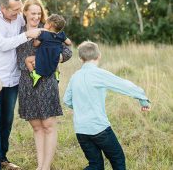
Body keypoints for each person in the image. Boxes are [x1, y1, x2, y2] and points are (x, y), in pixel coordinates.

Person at [0, 0, 42, 170]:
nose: (18, 13)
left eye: (20, 8)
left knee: (7, 121)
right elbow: (3, 44)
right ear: (3, 8)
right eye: (15, 10)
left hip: (12, 78)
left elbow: (33, 21)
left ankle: (2, 159)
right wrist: (27, 35)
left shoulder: (18, 17)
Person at [63, 41, 151, 170]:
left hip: (81, 129)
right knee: (117, 158)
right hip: (99, 128)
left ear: (80, 59)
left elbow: (67, 100)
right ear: (99, 56)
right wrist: (143, 98)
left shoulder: (75, 76)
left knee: (95, 164)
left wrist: (82, 107)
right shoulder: (99, 74)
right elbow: (123, 84)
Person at [16, 0, 72, 170]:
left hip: (47, 81)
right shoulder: (17, 30)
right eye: (32, 13)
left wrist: (59, 58)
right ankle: (40, 166)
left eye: (39, 13)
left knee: (48, 124)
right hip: (27, 80)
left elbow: (68, 50)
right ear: (24, 12)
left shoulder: (48, 30)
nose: (36, 16)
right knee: (36, 126)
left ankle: (46, 167)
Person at [25, 14, 72, 86]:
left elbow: (35, 44)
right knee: (55, 60)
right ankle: (56, 73)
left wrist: (36, 37)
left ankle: (34, 74)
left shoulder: (44, 34)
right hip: (55, 57)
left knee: (28, 60)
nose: (44, 24)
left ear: (49, 25)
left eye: (46, 23)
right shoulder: (61, 35)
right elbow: (69, 43)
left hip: (43, 58)